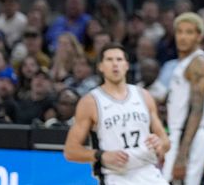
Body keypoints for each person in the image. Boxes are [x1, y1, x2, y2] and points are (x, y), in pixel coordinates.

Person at [64, 43, 171, 185]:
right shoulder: (90, 102)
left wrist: (160, 144)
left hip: (148, 172)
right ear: (100, 66)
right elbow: (70, 151)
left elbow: (166, 142)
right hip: (115, 177)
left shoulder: (143, 96)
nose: (115, 64)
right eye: (109, 60)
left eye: (119, 60)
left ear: (126, 65)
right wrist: (101, 156)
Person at [163, 13, 204, 185]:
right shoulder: (183, 63)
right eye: (179, 32)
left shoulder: (199, 63)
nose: (183, 37)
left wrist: (182, 154)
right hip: (179, 134)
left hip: (191, 136)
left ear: (199, 36)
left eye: (189, 32)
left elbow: (197, 109)